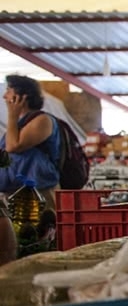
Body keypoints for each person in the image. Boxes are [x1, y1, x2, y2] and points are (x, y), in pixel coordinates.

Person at [1, 75, 61, 211]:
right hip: (16, 191)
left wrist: (12, 115)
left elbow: (13, 146)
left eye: (9, 90)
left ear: (22, 96)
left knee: (39, 230)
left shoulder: (42, 120)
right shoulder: (20, 124)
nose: (5, 96)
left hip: (39, 192)